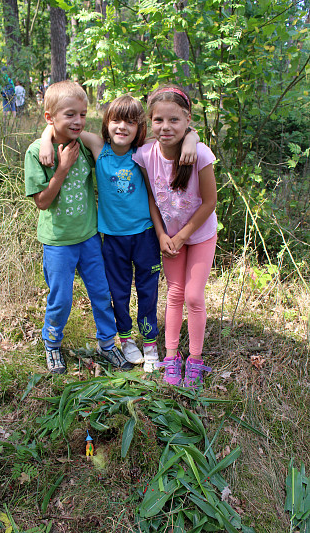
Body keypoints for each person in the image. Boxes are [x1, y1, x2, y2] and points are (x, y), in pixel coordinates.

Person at [39, 95, 199, 372]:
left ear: (140, 128)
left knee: (148, 291)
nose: (122, 127)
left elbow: (178, 131)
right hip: (112, 239)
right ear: (106, 123)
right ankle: (125, 339)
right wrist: (44, 139)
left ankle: (150, 343)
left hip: (145, 235)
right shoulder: (99, 148)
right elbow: (60, 128)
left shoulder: (145, 151)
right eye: (116, 120)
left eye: (130, 122)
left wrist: (192, 139)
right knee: (119, 291)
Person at [24, 81, 134, 374]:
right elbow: (42, 203)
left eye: (83, 114)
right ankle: (52, 344)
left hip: (88, 238)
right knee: (60, 298)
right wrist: (60, 168)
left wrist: (53, 135)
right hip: (58, 241)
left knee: (101, 291)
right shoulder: (36, 152)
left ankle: (107, 345)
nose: (78, 121)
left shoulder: (82, 145)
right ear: (49, 117)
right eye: (70, 114)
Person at [132, 86, 217, 388]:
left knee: (194, 296)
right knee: (174, 294)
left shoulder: (200, 154)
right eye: (158, 120)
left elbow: (209, 203)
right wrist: (160, 233)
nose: (165, 127)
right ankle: (171, 357)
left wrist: (181, 236)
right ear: (150, 122)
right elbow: (153, 200)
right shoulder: (145, 154)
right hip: (168, 238)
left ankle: (194, 359)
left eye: (174, 121)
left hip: (199, 234)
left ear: (187, 120)